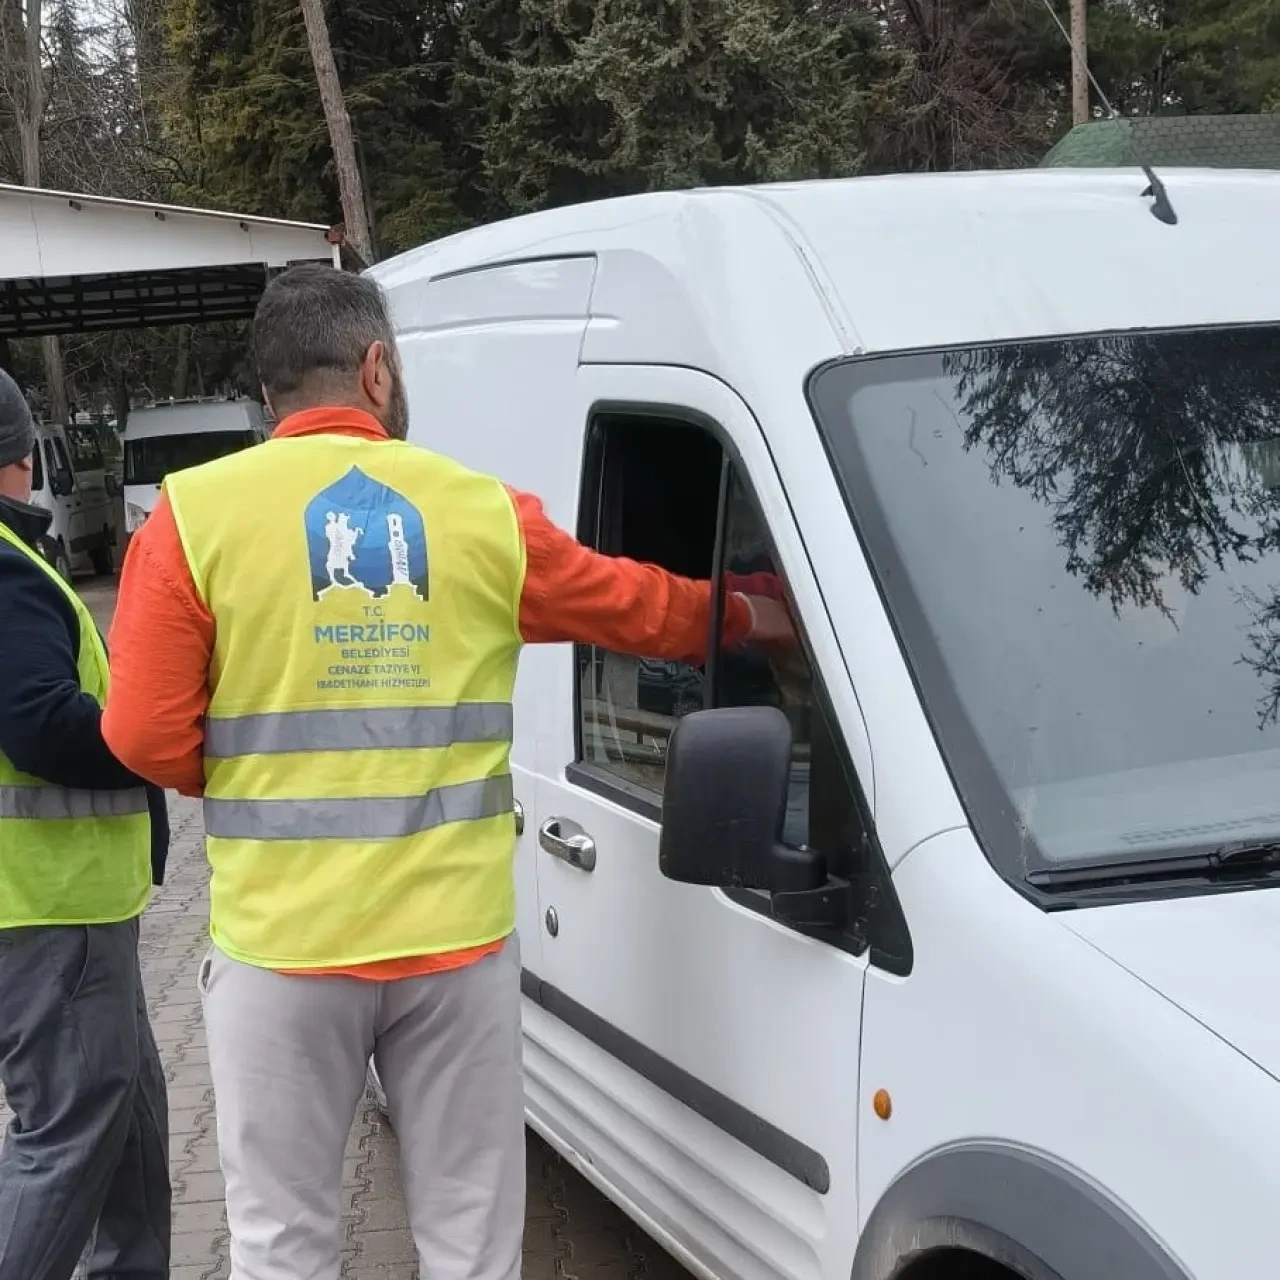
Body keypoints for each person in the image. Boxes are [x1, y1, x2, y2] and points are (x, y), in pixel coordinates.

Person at [102, 263, 793, 1280]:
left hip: (283, 953)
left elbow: (144, 738)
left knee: (281, 1245)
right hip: (454, 950)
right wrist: (743, 610)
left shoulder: (190, 520)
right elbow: (630, 606)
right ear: (376, 369)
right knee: (470, 1245)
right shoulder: (478, 511)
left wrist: (267, 774)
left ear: (268, 392)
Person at [0, 369, 170, 1280]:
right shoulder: (3, 566)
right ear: (21, 456)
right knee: (66, 1139)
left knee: (129, 1128)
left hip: (67, 910)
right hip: (49, 910)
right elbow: (36, 723)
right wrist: (153, 739)